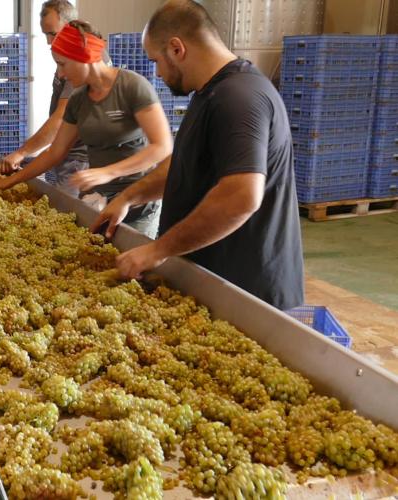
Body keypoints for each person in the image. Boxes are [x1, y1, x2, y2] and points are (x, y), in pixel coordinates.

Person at [93, 0, 304, 310]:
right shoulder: (210, 93)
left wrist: (157, 250)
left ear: (177, 49)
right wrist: (128, 197)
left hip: (248, 295)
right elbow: (184, 165)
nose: (157, 73)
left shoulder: (238, 99)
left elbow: (242, 196)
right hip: (215, 284)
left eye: (156, 61)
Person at [0, 20, 173, 237]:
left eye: (62, 64)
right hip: (98, 202)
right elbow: (55, 152)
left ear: (84, 56)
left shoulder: (132, 86)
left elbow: (162, 147)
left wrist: (107, 172)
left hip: (138, 206)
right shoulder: (77, 100)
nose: (61, 74)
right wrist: (8, 182)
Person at [1, 0, 88, 196]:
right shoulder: (65, 60)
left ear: (72, 26)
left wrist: (22, 152)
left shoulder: (79, 63)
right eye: (45, 34)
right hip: (65, 154)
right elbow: (57, 143)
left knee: (69, 208)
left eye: (53, 34)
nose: (49, 41)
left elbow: (60, 119)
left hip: (80, 161)